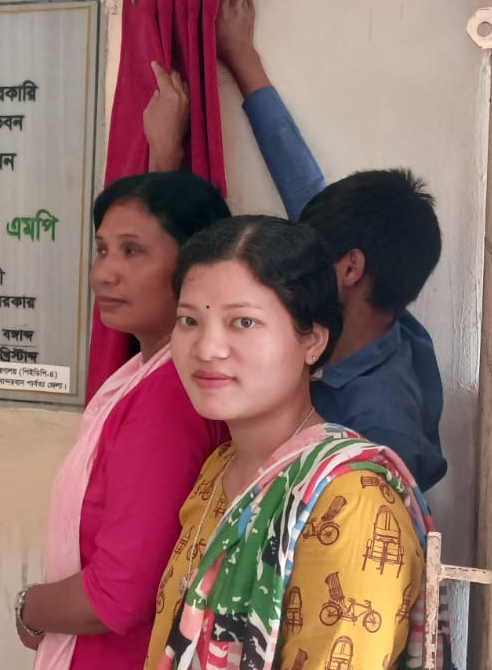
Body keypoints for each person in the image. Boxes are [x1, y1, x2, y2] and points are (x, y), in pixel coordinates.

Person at [146, 215, 432, 670]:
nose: (207, 348)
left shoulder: (353, 502)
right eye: (189, 320)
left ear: (312, 341)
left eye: (243, 322)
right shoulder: (221, 467)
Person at [15, 70, 230, 669]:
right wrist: (163, 155)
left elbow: (118, 593)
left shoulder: (169, 397)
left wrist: (30, 607)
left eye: (132, 252)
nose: (103, 273)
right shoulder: (148, 368)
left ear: (194, 267)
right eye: (103, 249)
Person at [215, 0, 447, 489]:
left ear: (349, 269)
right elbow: (300, 180)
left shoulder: (377, 426)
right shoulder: (375, 308)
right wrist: (242, 56)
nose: (289, 267)